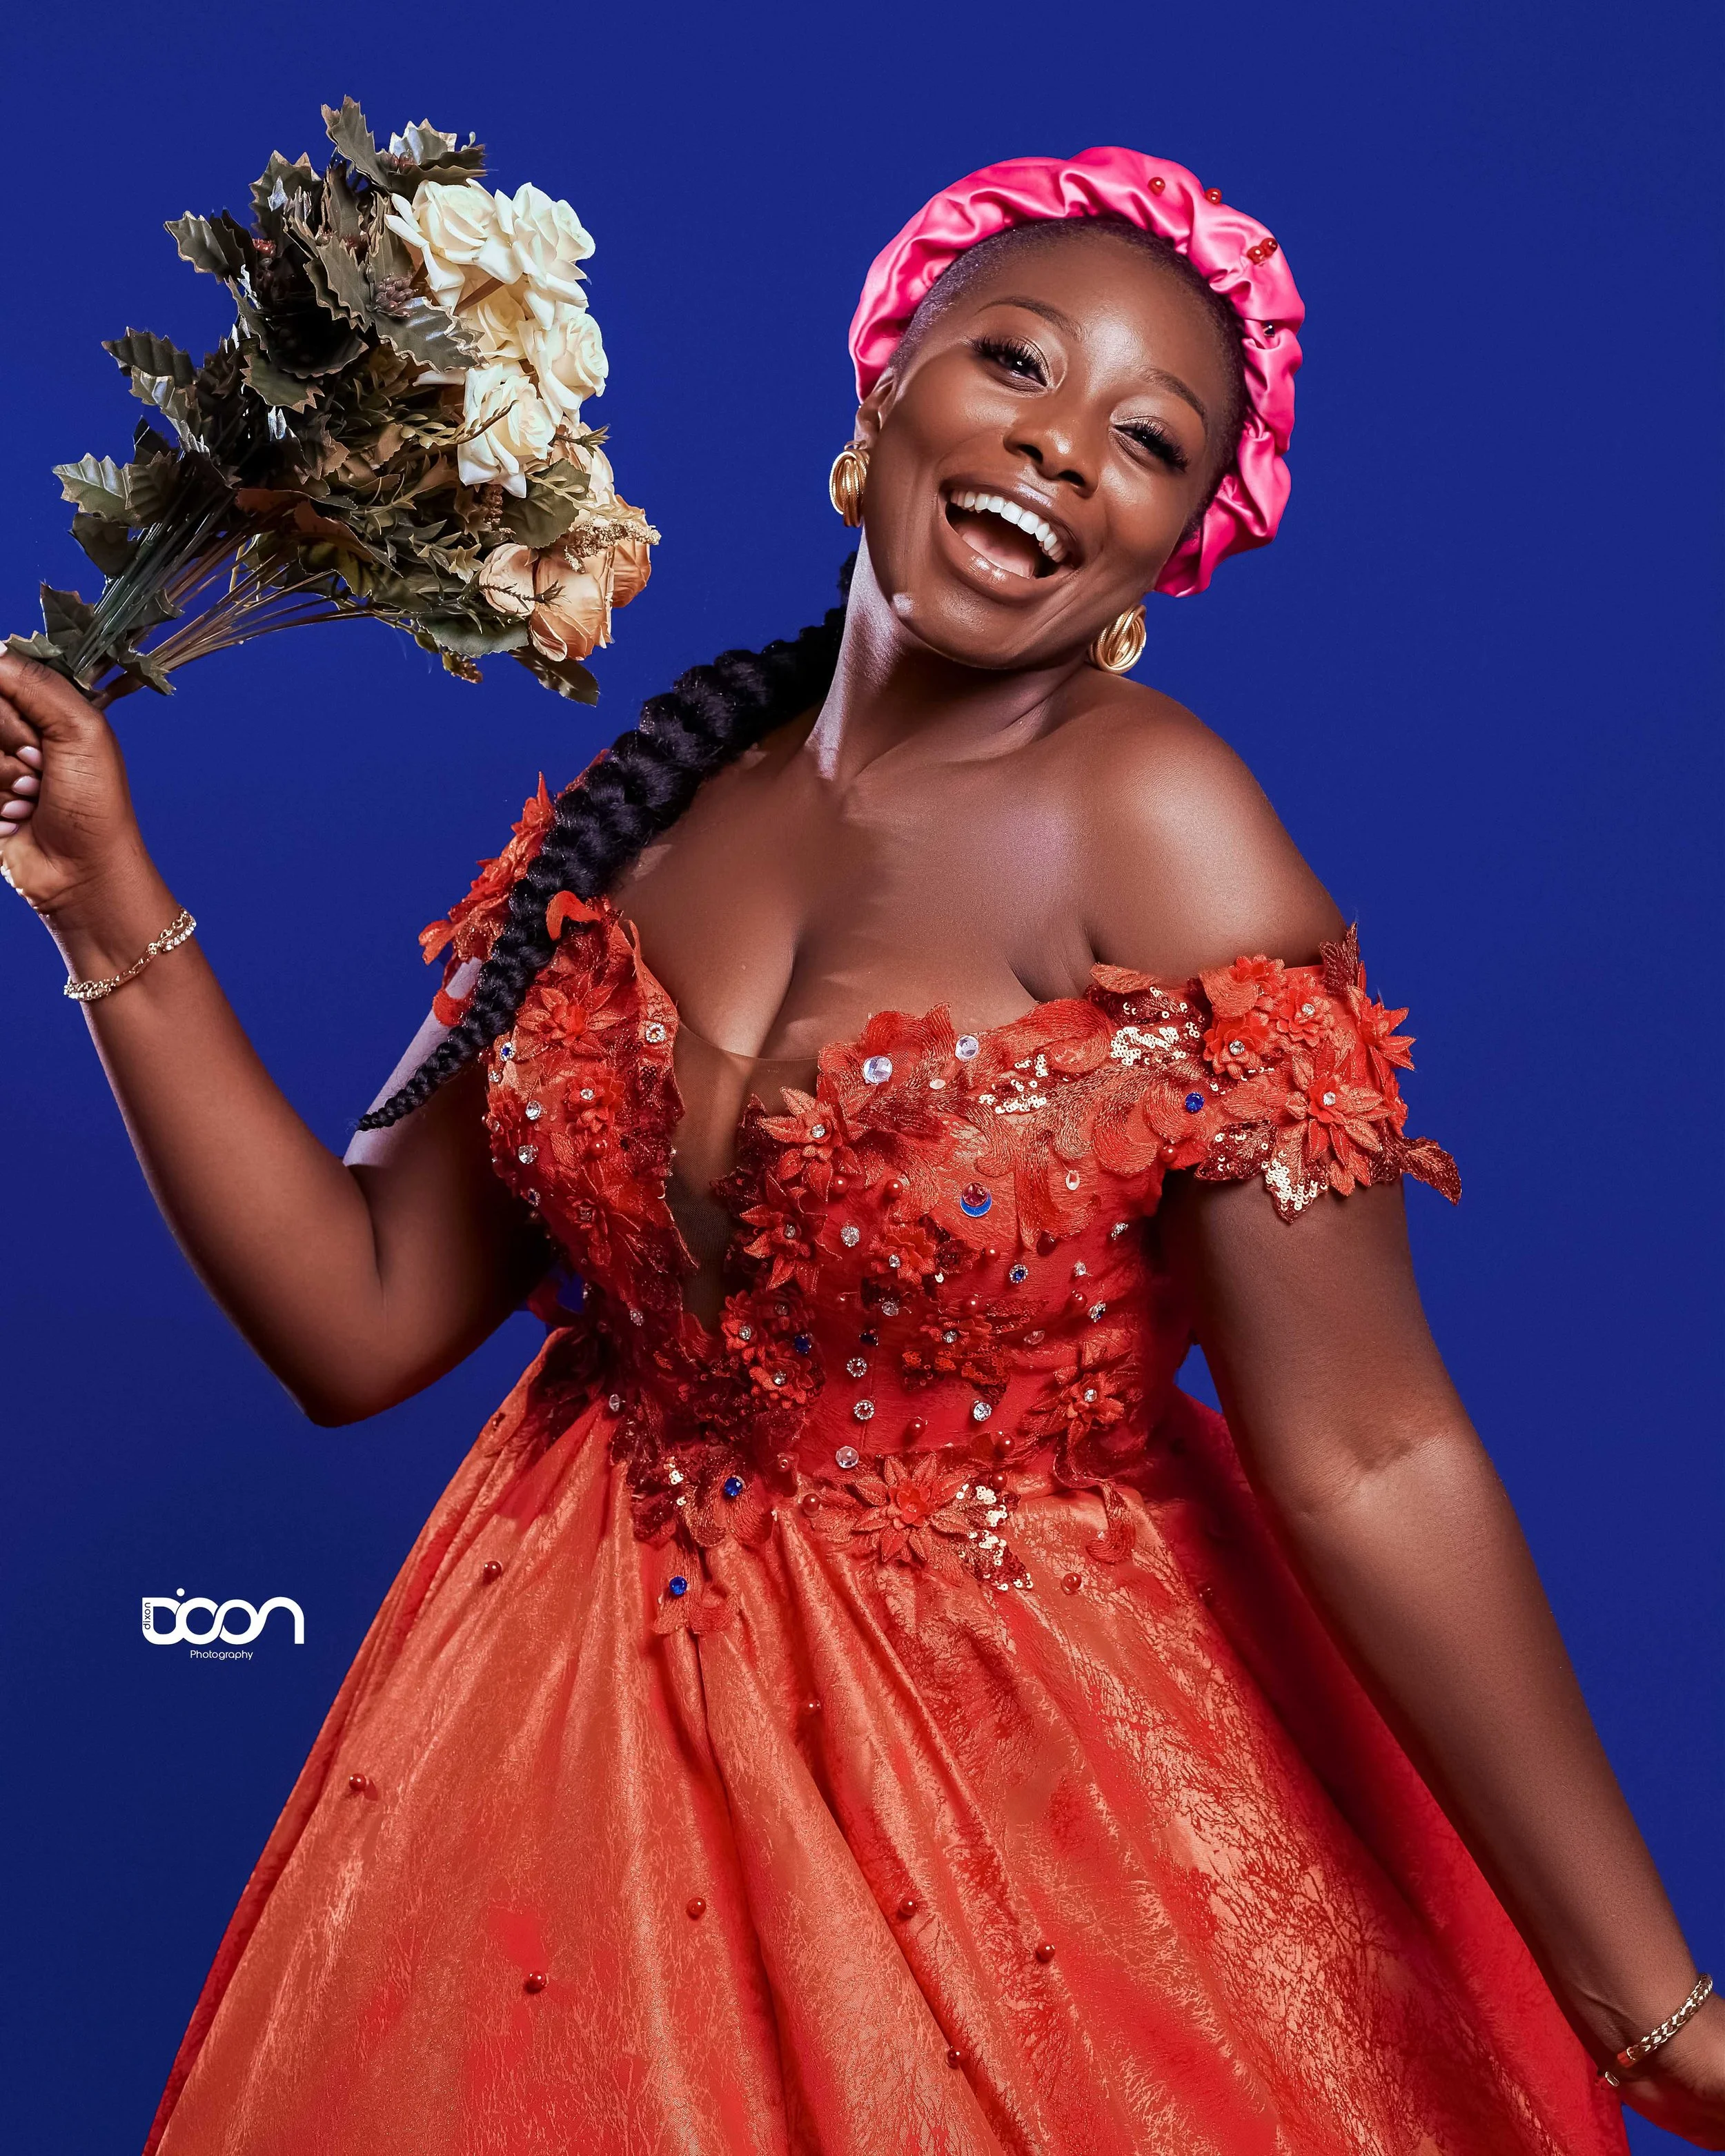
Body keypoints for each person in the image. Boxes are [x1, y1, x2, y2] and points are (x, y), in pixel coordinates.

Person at [1, 148, 1718, 2155]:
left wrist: (1655, 2013)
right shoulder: (652, 803)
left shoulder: (1163, 827)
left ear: (1177, 546)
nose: (1062, 447)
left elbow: (1370, 1453)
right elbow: (359, 1316)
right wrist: (100, 891)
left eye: (1149, 439)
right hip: (560, 1731)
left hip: (1026, 1798)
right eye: (1018, 362)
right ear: (885, 385)